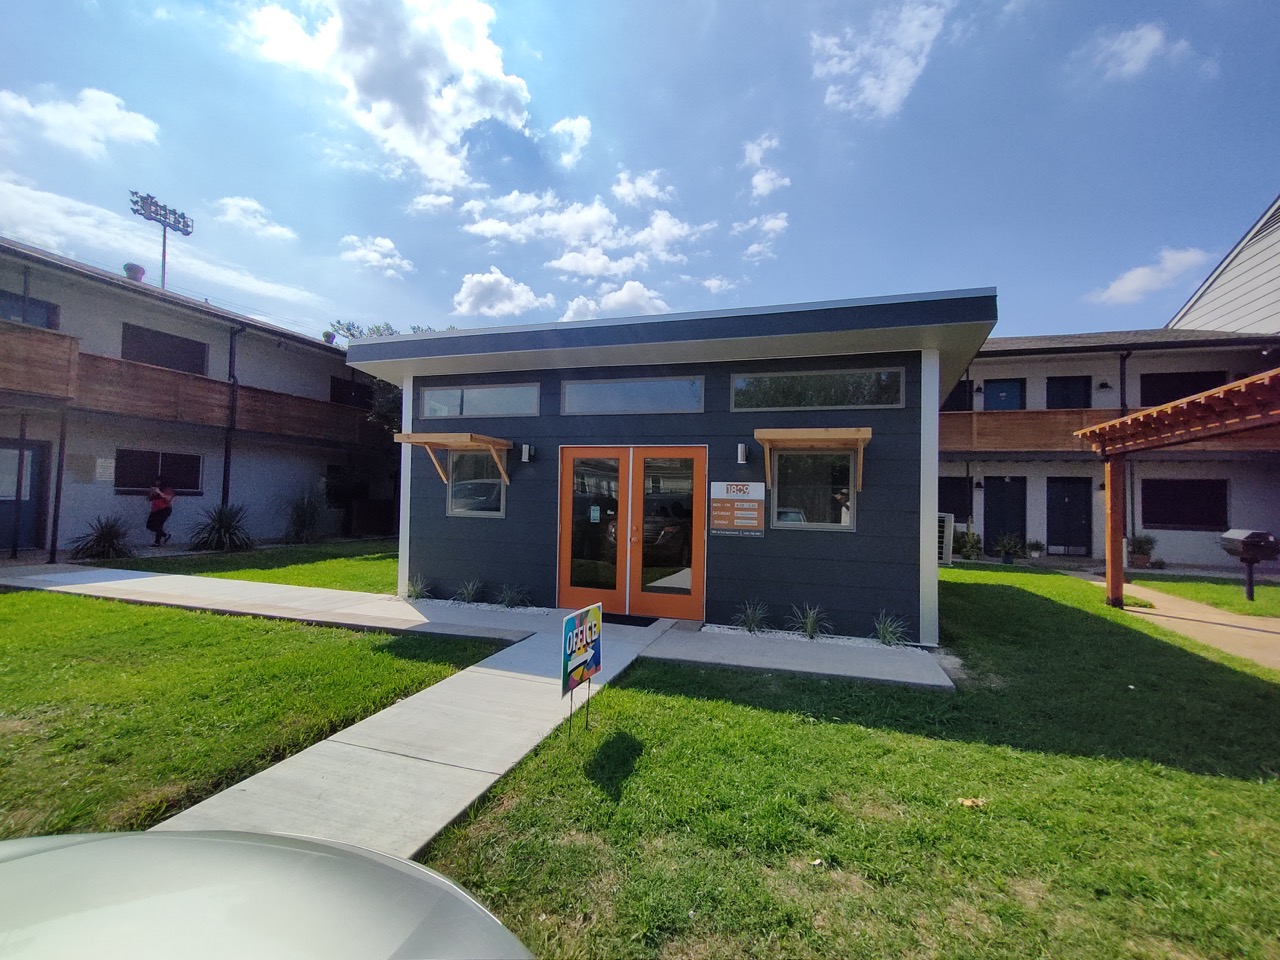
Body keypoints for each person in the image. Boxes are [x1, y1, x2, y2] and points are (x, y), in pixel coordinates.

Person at [146, 477, 175, 546]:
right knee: (149, 525)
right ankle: (165, 536)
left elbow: (168, 499)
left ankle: (157, 542)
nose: (157, 483)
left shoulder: (168, 489)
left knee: (158, 525)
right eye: (156, 482)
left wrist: (159, 492)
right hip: (155, 510)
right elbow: (149, 498)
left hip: (164, 509)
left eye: (158, 482)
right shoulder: (156, 489)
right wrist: (152, 492)